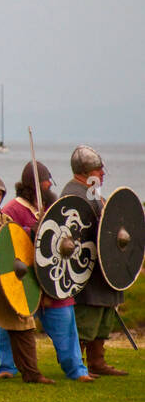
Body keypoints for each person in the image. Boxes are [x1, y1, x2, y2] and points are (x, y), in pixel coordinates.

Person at [0, 161, 93, 382]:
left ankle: (76, 369)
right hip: (24, 277)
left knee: (66, 324)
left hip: (53, 276)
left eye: (49, 182)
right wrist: (30, 231)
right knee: (11, 322)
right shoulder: (12, 209)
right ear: (34, 185)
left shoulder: (52, 208)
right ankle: (7, 366)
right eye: (45, 182)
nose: (49, 185)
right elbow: (5, 242)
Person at [0, 173, 53, 384]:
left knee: (22, 322)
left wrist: (34, 230)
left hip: (9, 276)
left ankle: (31, 371)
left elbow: (17, 244)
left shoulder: (7, 219)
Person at [62, 145, 129, 377]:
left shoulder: (92, 194)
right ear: (85, 171)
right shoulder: (73, 195)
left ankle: (97, 360)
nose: (102, 173)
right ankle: (77, 364)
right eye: (98, 169)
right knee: (86, 320)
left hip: (103, 269)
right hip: (85, 268)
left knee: (104, 317)